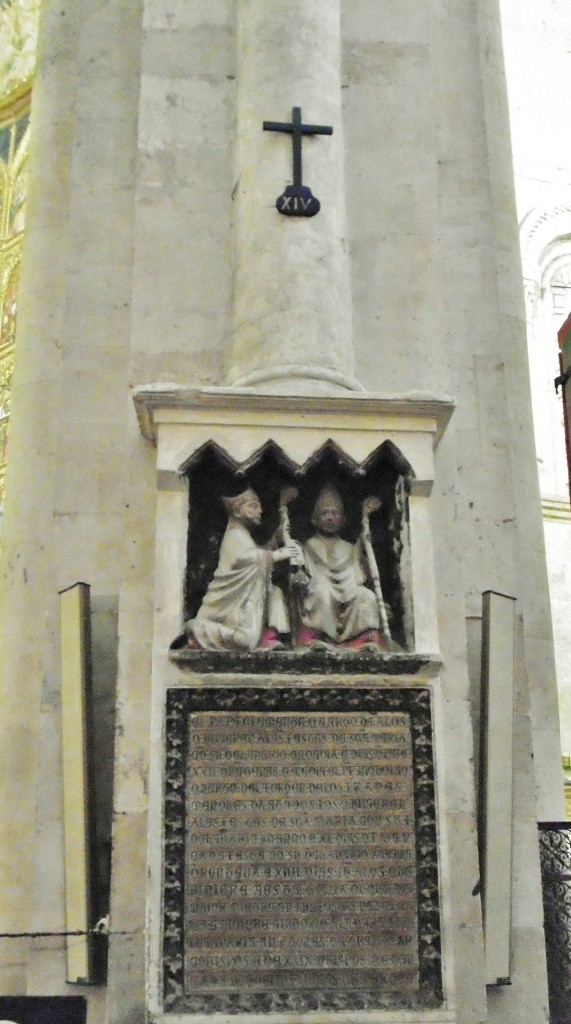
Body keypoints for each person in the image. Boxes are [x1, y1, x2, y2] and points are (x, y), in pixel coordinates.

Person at [185, 488, 301, 651]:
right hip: (229, 605)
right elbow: (246, 558)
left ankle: (272, 636)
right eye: (253, 506)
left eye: (259, 506)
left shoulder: (243, 535)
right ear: (237, 512)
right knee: (245, 642)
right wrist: (278, 555)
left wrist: (278, 535)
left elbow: (257, 554)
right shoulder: (234, 535)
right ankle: (199, 630)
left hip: (244, 602)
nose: (259, 511)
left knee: (275, 593)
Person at [296, 484, 385, 649]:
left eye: (335, 513)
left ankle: (365, 640)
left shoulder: (349, 547)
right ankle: (320, 639)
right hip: (320, 587)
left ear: (342, 519)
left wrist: (364, 546)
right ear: (315, 519)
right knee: (321, 592)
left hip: (348, 589)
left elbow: (359, 574)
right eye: (325, 513)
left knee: (366, 596)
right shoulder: (309, 545)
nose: (330, 518)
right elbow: (303, 573)